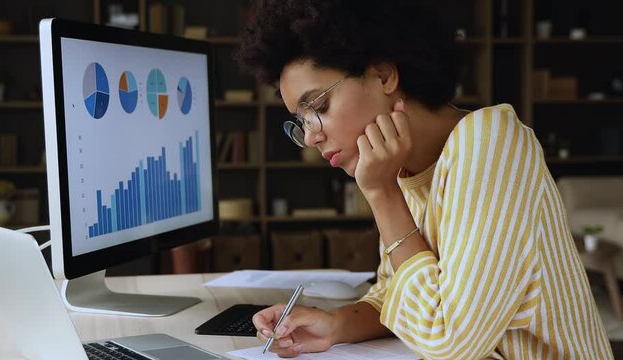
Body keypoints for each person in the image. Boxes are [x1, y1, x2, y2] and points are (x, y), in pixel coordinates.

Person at [235, 1, 613, 359]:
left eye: (318, 107)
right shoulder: (400, 168)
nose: (312, 136)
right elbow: (399, 294)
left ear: (383, 75)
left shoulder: (490, 142)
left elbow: (449, 339)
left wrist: (382, 195)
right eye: (301, 122)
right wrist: (335, 325)